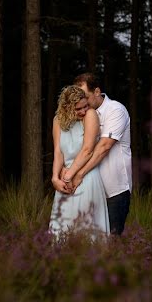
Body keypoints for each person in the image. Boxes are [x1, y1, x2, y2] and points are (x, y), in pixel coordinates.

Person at [62, 73, 132, 235]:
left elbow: (104, 147)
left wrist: (78, 174)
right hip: (89, 190)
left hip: (114, 190)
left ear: (97, 91)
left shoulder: (116, 109)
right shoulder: (81, 115)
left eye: (85, 96)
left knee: (110, 244)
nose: (82, 102)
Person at [48, 85, 110, 239]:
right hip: (65, 183)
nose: (83, 111)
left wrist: (69, 175)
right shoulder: (57, 120)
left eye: (85, 106)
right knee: (62, 231)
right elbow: (58, 151)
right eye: (78, 109)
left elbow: (88, 150)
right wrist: (55, 178)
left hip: (85, 178)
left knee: (86, 232)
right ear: (67, 108)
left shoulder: (90, 115)